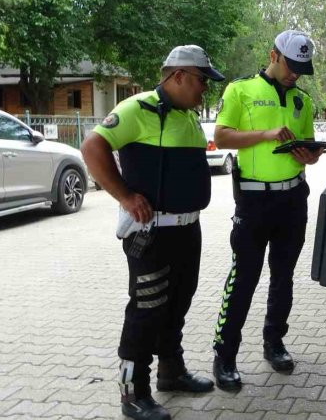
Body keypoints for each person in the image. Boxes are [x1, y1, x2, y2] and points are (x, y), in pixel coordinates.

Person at [81, 45, 225, 420]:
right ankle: (133, 393)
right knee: (146, 309)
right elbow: (92, 146)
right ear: (177, 76)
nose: (203, 90)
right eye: (200, 81)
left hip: (187, 230)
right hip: (151, 234)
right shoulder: (137, 108)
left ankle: (171, 371)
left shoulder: (188, 116)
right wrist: (125, 196)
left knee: (177, 303)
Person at [210, 29, 323, 391]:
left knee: (283, 276)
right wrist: (264, 134)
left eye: (302, 69)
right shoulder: (240, 90)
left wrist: (312, 154)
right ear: (273, 55)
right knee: (243, 278)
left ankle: (274, 342)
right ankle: (224, 356)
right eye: (292, 65)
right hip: (254, 201)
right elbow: (222, 136)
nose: (296, 74)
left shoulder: (302, 101)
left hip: (293, 200)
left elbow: (305, 148)